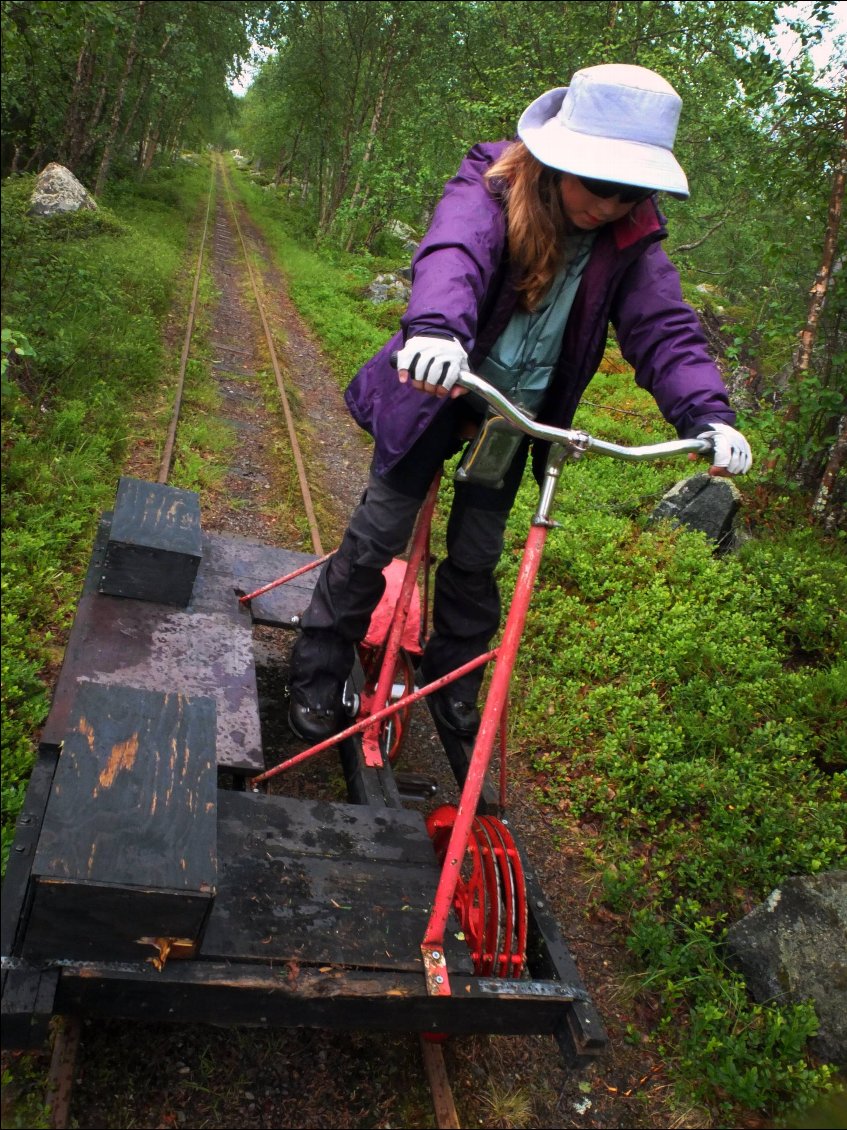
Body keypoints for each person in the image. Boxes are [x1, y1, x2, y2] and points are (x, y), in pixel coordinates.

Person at [288, 63, 752, 743]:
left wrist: (706, 413)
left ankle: (454, 684)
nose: (612, 204)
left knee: (476, 555)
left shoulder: (628, 237)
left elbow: (663, 326)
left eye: (632, 192)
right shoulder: (493, 183)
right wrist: (437, 331)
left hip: (514, 413)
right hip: (437, 386)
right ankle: (317, 670)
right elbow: (454, 252)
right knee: (378, 533)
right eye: (599, 185)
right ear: (559, 160)